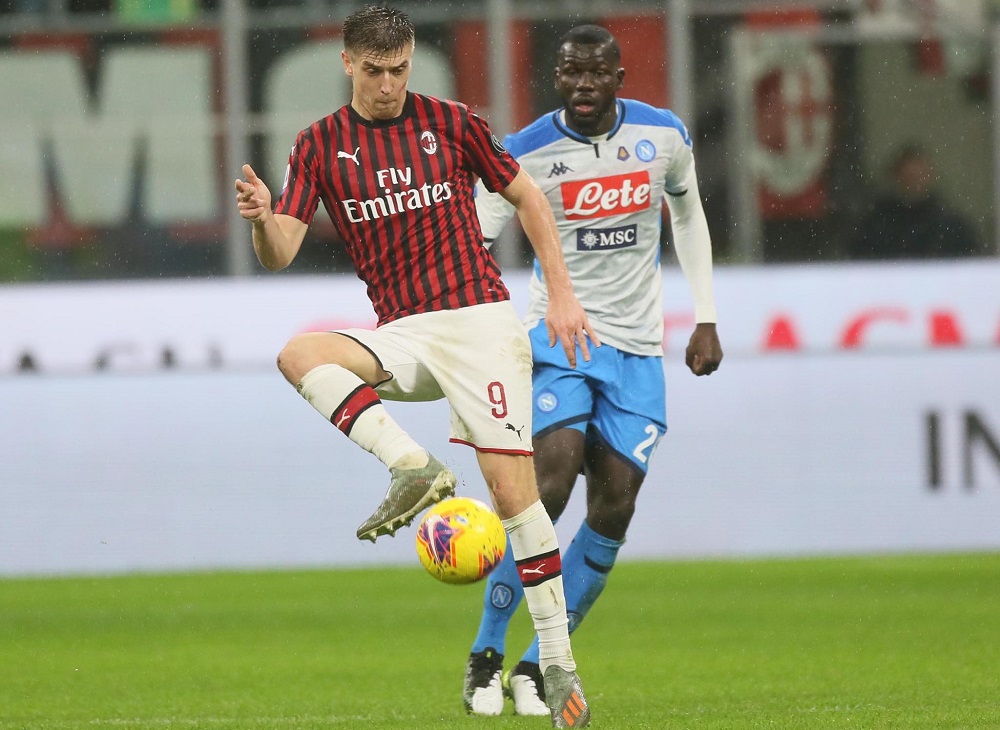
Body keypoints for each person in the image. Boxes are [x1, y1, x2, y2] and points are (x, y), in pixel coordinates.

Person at [233, 6, 592, 728]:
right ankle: (412, 467)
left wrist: (560, 293)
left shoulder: (452, 122)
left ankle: (558, 664)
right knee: (299, 353)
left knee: (514, 497)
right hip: (404, 332)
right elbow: (281, 253)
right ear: (347, 63)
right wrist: (262, 220)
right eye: (374, 71)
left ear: (411, 60)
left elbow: (526, 194)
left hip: (480, 322)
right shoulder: (319, 145)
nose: (388, 85)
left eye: (399, 69)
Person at [463, 24, 723, 717]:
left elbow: (688, 215)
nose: (583, 85)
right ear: (556, 78)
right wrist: (479, 336)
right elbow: (475, 242)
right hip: (560, 339)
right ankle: (486, 653)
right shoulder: (523, 152)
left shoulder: (662, 136)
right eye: (570, 72)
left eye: (596, 73)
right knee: (547, 487)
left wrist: (705, 315)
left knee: (614, 506)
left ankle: (537, 665)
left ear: (618, 78)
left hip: (637, 349)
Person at [849, 143, 980, 259]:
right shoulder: (875, 225)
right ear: (896, 176)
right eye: (909, 176)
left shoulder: (950, 226)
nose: (915, 182)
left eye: (920, 175)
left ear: (931, 176)